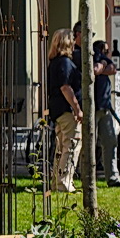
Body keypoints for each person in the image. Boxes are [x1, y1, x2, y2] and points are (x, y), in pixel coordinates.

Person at [46, 29, 84, 194]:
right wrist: (77, 108)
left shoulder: (54, 62)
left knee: (61, 145)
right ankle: (64, 182)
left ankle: (57, 180)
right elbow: (65, 87)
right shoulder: (65, 63)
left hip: (57, 109)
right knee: (72, 143)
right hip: (66, 109)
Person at [91, 40, 120, 187]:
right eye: (105, 51)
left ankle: (113, 177)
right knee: (89, 143)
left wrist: (103, 66)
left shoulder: (101, 58)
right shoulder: (92, 55)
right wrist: (103, 67)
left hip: (104, 106)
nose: (107, 54)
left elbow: (113, 69)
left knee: (110, 140)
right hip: (93, 106)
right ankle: (84, 176)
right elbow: (95, 70)